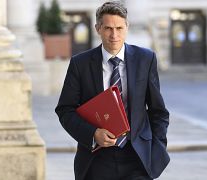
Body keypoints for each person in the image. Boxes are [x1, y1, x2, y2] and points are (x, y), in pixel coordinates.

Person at [55, 1, 170, 180]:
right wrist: (92, 134)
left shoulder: (145, 59)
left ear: (127, 27)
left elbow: (158, 111)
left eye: (119, 28)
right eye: (108, 28)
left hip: (137, 157)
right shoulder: (80, 64)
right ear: (97, 28)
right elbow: (65, 110)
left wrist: (157, 151)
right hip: (97, 160)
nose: (114, 35)